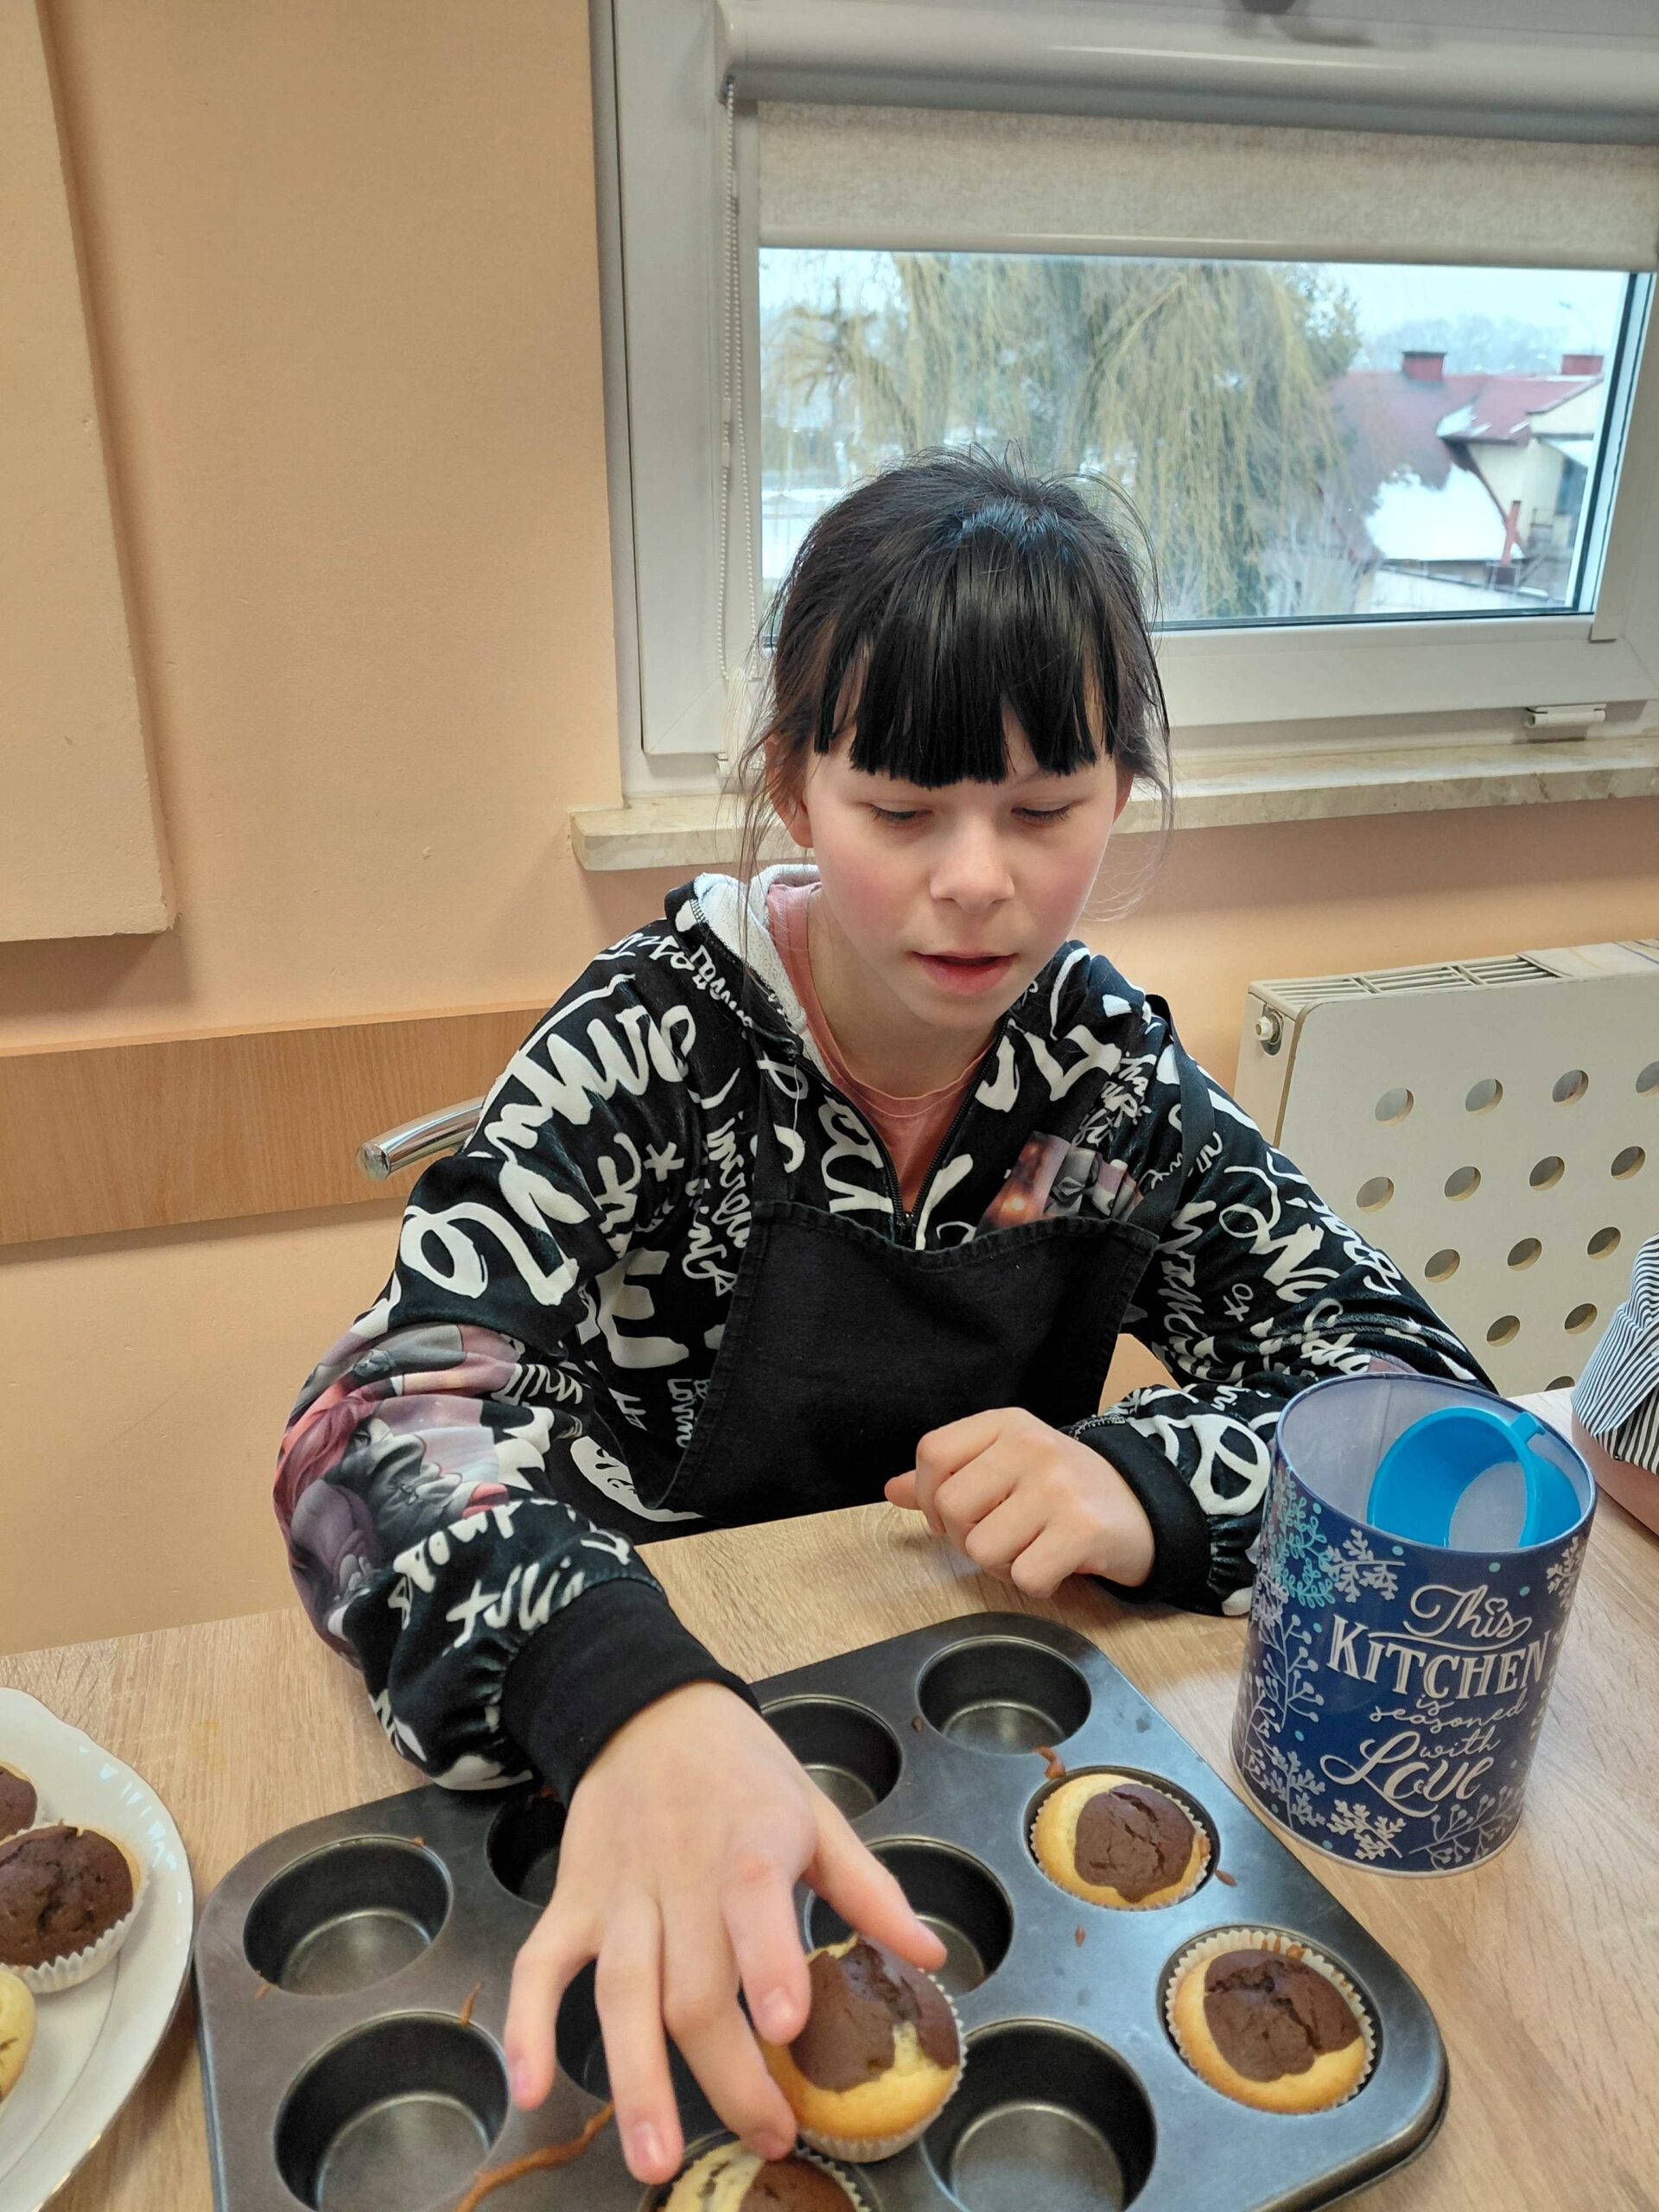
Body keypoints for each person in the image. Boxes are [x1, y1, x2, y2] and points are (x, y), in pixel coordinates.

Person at [275, 450, 1489, 2186]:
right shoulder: (647, 1051)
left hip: (975, 1730)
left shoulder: (1105, 1073)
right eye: (902, 810)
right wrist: (612, 1690)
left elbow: (1413, 1400)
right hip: (644, 1718)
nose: (977, 879)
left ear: (1123, 790)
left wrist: (1151, 1480)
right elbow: (366, 1429)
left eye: (1047, 806)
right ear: (792, 783)